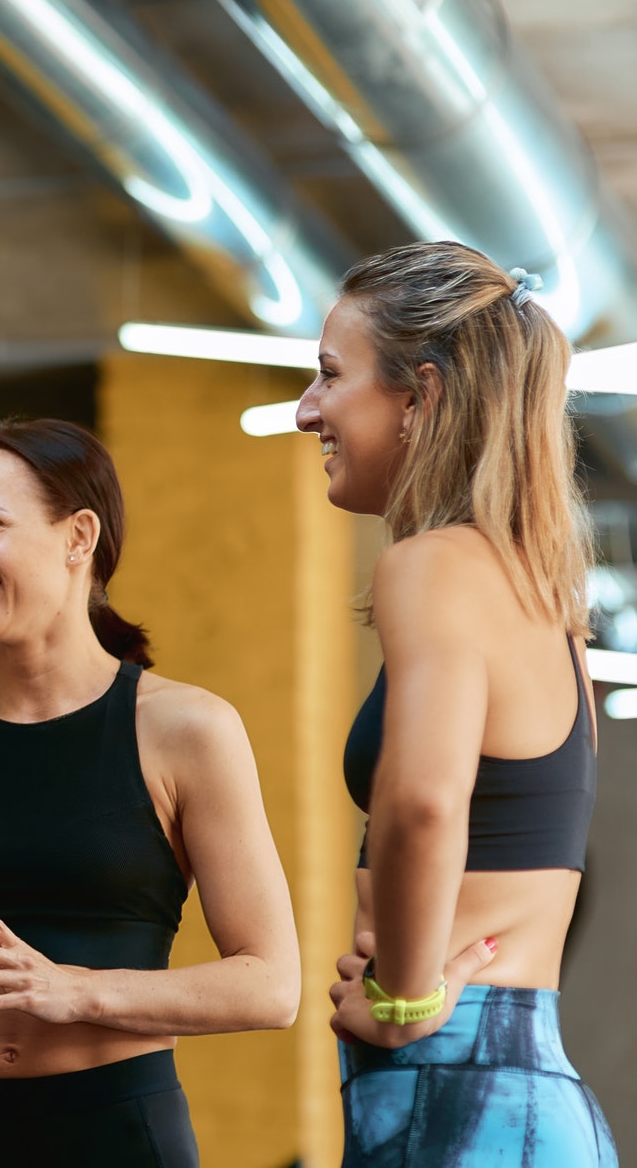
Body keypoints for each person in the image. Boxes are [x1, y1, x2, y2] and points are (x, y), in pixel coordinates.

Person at [0, 418, 299, 1166]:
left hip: (114, 1129)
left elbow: (270, 984)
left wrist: (75, 990)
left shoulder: (186, 728)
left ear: (79, 535)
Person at [297, 241, 617, 1165]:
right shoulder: (541, 598)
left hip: (459, 1083)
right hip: (522, 1079)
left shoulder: (433, 565)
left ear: (421, 396)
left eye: (328, 376)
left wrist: (397, 996)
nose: (306, 409)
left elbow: (423, 801)